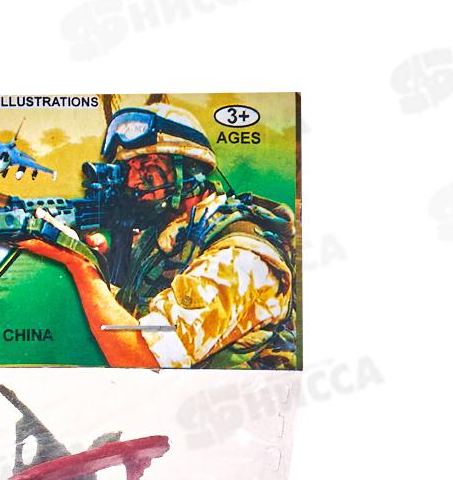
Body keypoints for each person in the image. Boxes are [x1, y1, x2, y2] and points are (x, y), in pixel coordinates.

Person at [22, 104, 296, 370]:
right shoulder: (168, 232)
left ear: (188, 168)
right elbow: (136, 311)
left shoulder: (239, 257)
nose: (132, 182)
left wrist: (80, 266)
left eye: (146, 167)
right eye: (128, 170)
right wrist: (94, 259)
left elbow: (144, 360)